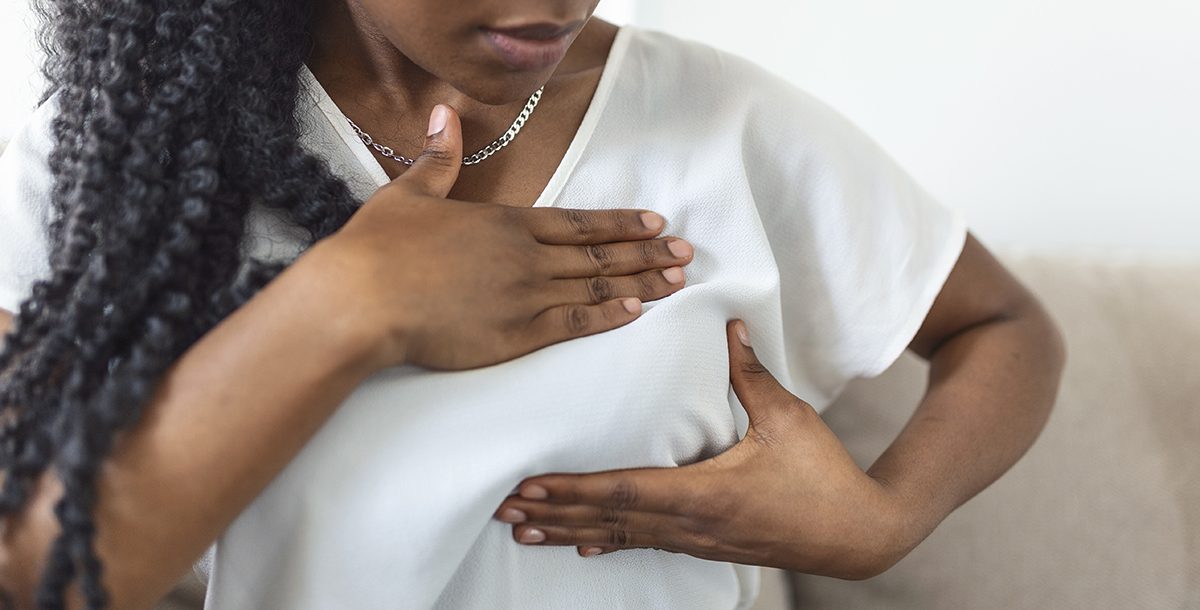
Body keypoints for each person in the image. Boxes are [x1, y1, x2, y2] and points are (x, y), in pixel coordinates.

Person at [0, 1, 1066, 609]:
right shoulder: (123, 154)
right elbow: (39, 570)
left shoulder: (722, 122)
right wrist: (348, 304)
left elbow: (1004, 327)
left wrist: (886, 518)